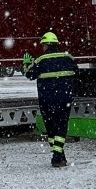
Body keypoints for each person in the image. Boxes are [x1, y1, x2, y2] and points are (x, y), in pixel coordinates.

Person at [24, 31, 78, 167]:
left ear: (47, 45)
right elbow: (76, 73)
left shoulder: (40, 60)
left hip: (47, 100)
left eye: (43, 45)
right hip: (65, 99)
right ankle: (60, 156)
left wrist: (25, 64)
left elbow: (29, 75)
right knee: (61, 126)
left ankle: (57, 156)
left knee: (51, 128)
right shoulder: (68, 57)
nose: (42, 48)